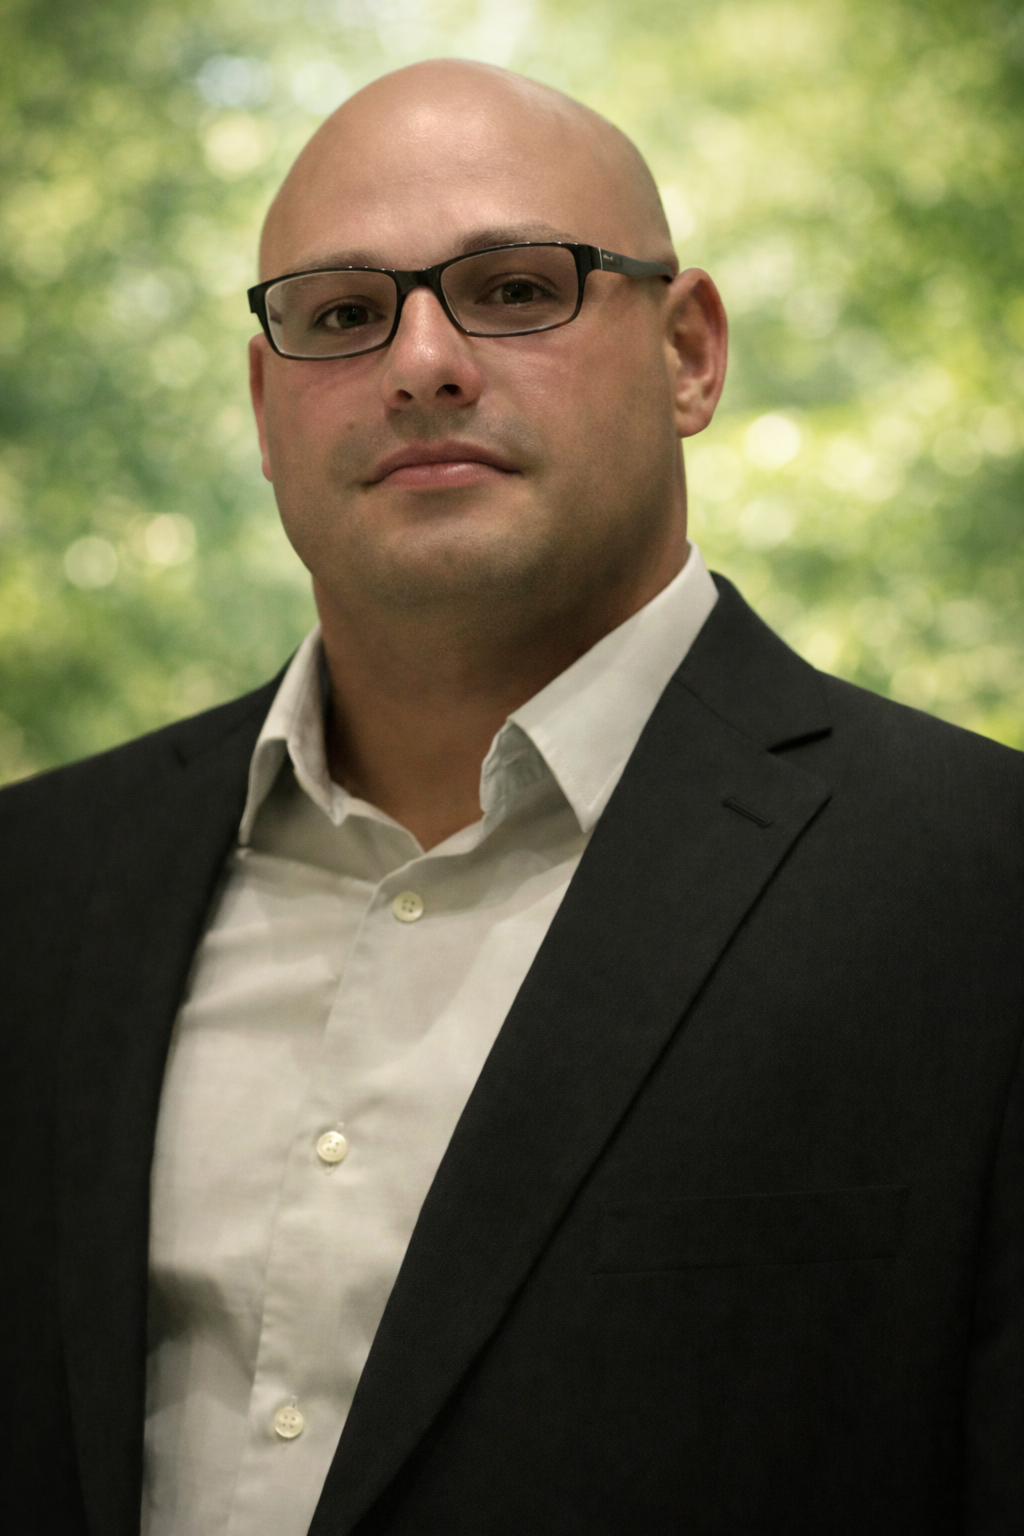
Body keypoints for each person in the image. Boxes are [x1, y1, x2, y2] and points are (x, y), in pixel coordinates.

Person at [0, 57, 1020, 1536]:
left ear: (689, 352)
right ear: (263, 400)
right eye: (342, 316)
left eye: (515, 288)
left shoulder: (981, 888)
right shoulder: (34, 886)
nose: (421, 361)